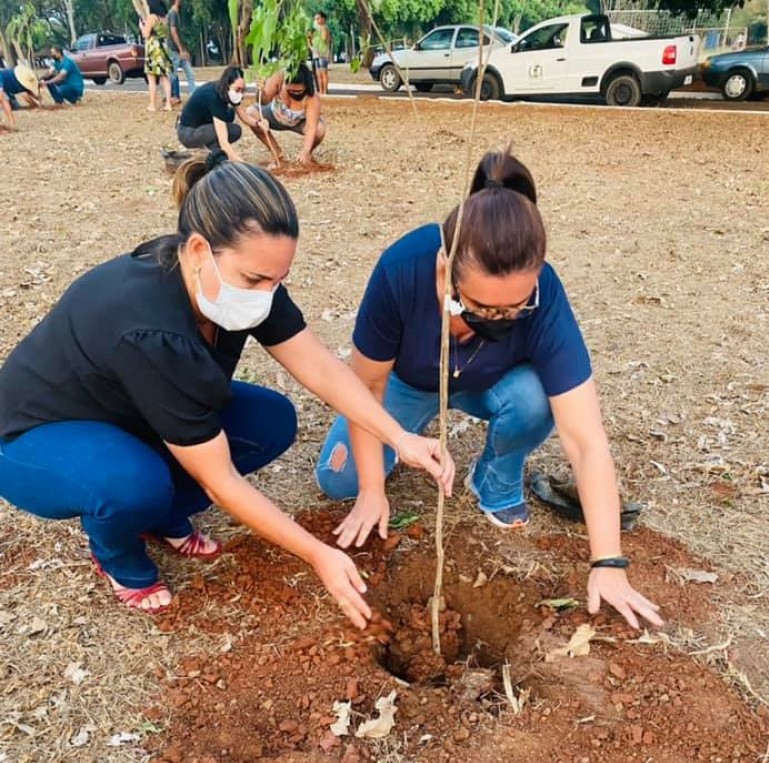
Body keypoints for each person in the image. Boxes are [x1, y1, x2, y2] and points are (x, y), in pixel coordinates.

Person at [0, 152, 454, 626]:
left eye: (278, 280)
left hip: (132, 416)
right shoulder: (152, 331)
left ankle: (159, 515)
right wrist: (317, 553)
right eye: (255, 279)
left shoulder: (240, 281)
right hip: (35, 437)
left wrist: (399, 438)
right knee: (133, 485)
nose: (266, 293)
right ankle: (118, 554)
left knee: (270, 422)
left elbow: (320, 367)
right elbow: (220, 480)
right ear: (199, 251)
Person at [315, 150, 663, 631]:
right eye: (480, 306)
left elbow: (585, 439)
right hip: (406, 384)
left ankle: (495, 481)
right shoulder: (401, 270)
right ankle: (389, 458)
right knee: (339, 480)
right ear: (445, 269)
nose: (498, 319)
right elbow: (367, 385)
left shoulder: (546, 297)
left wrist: (608, 562)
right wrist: (372, 490)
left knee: (536, 397)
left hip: (492, 385)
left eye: (514, 309)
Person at [178, 65, 271, 162]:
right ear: (228, 85)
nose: (240, 94)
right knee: (224, 134)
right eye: (238, 89)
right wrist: (241, 163)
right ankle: (213, 154)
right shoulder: (214, 98)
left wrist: (259, 123)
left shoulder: (228, 92)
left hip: (203, 127)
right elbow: (224, 141)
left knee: (235, 129)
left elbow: (243, 116)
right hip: (188, 132)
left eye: (242, 90)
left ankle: (213, 152)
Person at [246, 63, 324, 167]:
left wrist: (306, 151)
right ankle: (276, 152)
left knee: (319, 130)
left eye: (299, 91)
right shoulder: (279, 77)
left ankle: (308, 154)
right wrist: (260, 91)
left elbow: (311, 127)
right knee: (250, 113)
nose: (295, 94)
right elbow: (263, 101)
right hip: (274, 115)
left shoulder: (313, 98)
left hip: (299, 123)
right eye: (291, 91)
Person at [140, 0, 173, 112]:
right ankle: (168, 104)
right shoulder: (165, 18)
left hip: (153, 49)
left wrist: (142, 26)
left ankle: (152, 105)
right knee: (165, 78)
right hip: (163, 48)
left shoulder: (151, 17)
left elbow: (145, 34)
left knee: (152, 79)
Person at [167, 0, 196, 104]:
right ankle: (170, 96)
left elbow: (179, 34)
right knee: (172, 75)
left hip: (180, 50)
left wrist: (184, 50)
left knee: (190, 73)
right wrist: (180, 50)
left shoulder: (177, 13)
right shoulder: (172, 14)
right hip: (174, 50)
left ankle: (194, 96)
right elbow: (173, 32)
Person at [309, 11, 332, 95]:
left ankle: (325, 91)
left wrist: (316, 34)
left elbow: (324, 39)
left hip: (322, 53)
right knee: (318, 73)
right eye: (315, 19)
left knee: (323, 72)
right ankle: (320, 91)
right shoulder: (315, 30)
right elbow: (311, 40)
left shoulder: (324, 28)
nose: (316, 20)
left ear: (323, 19)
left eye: (318, 18)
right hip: (316, 53)